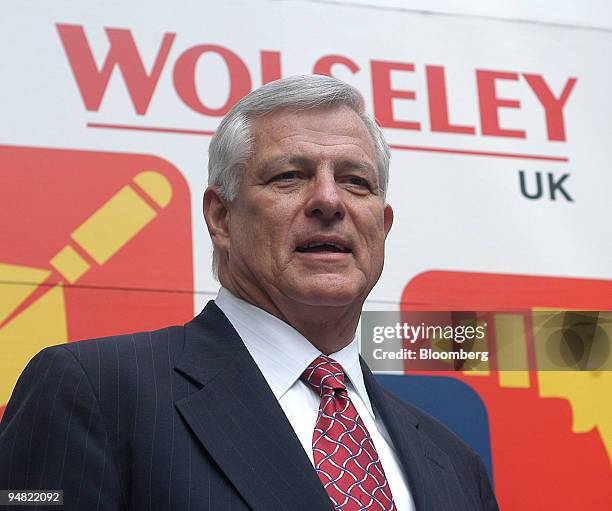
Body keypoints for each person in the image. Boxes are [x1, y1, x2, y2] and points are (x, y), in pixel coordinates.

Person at [0, 75, 498, 510]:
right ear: (220, 218)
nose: (329, 200)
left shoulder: (454, 462)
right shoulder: (95, 391)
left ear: (382, 227)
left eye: (355, 181)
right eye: (289, 176)